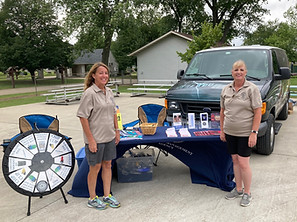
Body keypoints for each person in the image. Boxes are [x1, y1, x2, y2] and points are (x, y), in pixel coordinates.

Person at [77, 62, 121, 210]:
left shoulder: (109, 91)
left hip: (109, 137)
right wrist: (91, 140)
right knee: (94, 168)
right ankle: (92, 198)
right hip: (95, 139)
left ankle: (107, 195)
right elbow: (83, 117)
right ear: (94, 75)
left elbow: (114, 111)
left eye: (106, 73)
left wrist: (117, 130)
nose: (104, 76)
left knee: (107, 165)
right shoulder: (89, 94)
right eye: (101, 73)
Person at [220, 60, 262, 207]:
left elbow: (258, 112)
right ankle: (238, 189)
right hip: (230, 131)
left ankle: (247, 192)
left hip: (245, 132)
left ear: (246, 72)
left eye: (241, 70)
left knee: (244, 163)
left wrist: (254, 132)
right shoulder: (226, 89)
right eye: (236, 69)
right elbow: (222, 111)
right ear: (232, 72)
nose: (238, 72)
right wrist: (222, 130)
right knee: (235, 160)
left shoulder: (252, 89)